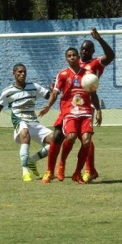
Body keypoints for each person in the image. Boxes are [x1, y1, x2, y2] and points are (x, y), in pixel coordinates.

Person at [49, 28, 115, 183]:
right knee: (60, 135)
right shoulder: (75, 63)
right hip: (69, 106)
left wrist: (99, 39)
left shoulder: (96, 63)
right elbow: (67, 78)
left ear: (92, 51)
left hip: (86, 106)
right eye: (82, 49)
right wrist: (56, 87)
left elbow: (111, 56)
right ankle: (57, 167)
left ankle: (88, 170)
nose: (84, 51)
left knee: (86, 139)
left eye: (87, 49)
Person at [0, 63, 53, 182]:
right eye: (19, 72)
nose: (22, 74)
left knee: (55, 141)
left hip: (34, 122)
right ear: (14, 74)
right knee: (25, 134)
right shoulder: (8, 91)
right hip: (20, 121)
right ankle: (25, 171)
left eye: (24, 71)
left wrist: (52, 96)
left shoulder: (34, 87)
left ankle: (32, 160)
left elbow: (50, 95)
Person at [39, 47, 95, 184]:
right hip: (68, 111)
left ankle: (78, 172)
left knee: (86, 141)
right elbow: (55, 92)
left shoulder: (88, 74)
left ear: (78, 57)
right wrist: (48, 106)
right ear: (66, 58)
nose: (72, 58)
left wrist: (98, 110)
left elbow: (94, 92)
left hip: (84, 111)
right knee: (60, 136)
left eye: (74, 55)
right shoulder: (63, 74)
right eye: (69, 56)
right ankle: (51, 170)